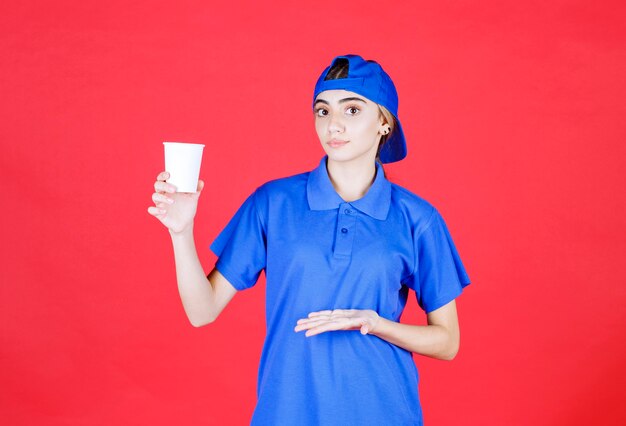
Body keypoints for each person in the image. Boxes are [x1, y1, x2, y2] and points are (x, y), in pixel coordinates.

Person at [148, 54, 472, 425]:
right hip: (287, 413)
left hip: (383, 413)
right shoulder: (273, 202)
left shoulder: (418, 219)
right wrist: (181, 231)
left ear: (384, 122)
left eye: (352, 110)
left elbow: (447, 343)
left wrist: (376, 322)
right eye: (323, 111)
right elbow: (201, 312)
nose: (333, 124)